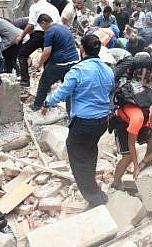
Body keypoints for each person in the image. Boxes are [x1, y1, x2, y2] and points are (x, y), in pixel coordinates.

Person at [41, 34, 114, 208]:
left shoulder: (78, 70)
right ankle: (94, 187)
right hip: (102, 120)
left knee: (77, 156)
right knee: (89, 151)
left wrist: (46, 102)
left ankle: (94, 197)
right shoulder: (108, 69)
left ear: (82, 49)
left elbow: (62, 92)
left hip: (84, 122)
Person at [30, 14, 80, 112]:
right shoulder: (64, 28)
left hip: (60, 63)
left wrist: (39, 65)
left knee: (44, 83)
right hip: (74, 61)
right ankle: (70, 107)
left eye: (41, 26)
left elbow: (47, 51)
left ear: (43, 23)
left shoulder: (50, 31)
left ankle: (37, 106)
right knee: (68, 85)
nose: (42, 29)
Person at [111, 104, 152, 188]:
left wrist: (145, 161)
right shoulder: (137, 118)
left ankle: (146, 174)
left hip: (144, 123)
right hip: (124, 123)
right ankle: (115, 184)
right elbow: (131, 145)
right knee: (128, 156)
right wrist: (136, 166)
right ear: (150, 119)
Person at [15, 0, 60, 87]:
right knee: (48, 58)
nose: (33, 0)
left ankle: (25, 80)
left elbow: (31, 24)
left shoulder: (35, 7)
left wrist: (21, 36)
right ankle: (48, 82)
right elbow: (59, 23)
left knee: (22, 54)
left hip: (39, 34)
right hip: (53, 33)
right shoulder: (53, 7)